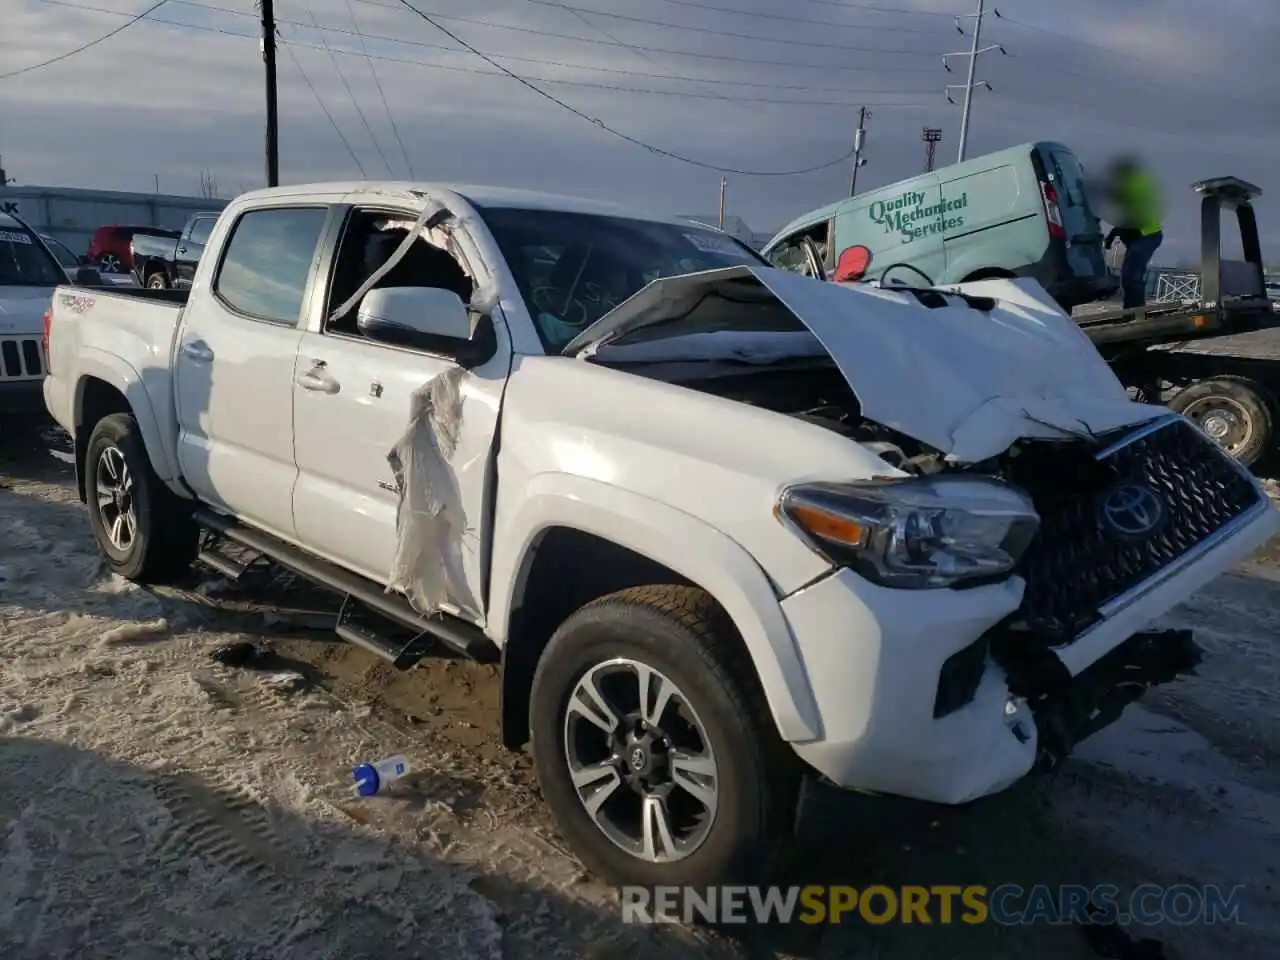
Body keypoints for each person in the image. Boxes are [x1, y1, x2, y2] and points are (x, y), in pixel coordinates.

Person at [1103, 157, 1164, 310]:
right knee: (1129, 274)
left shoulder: (1134, 185)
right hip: (1142, 234)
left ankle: (1135, 311)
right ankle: (1132, 309)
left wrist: (1114, 233)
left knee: (1132, 274)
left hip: (1146, 234)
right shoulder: (1132, 184)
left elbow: (1134, 214)